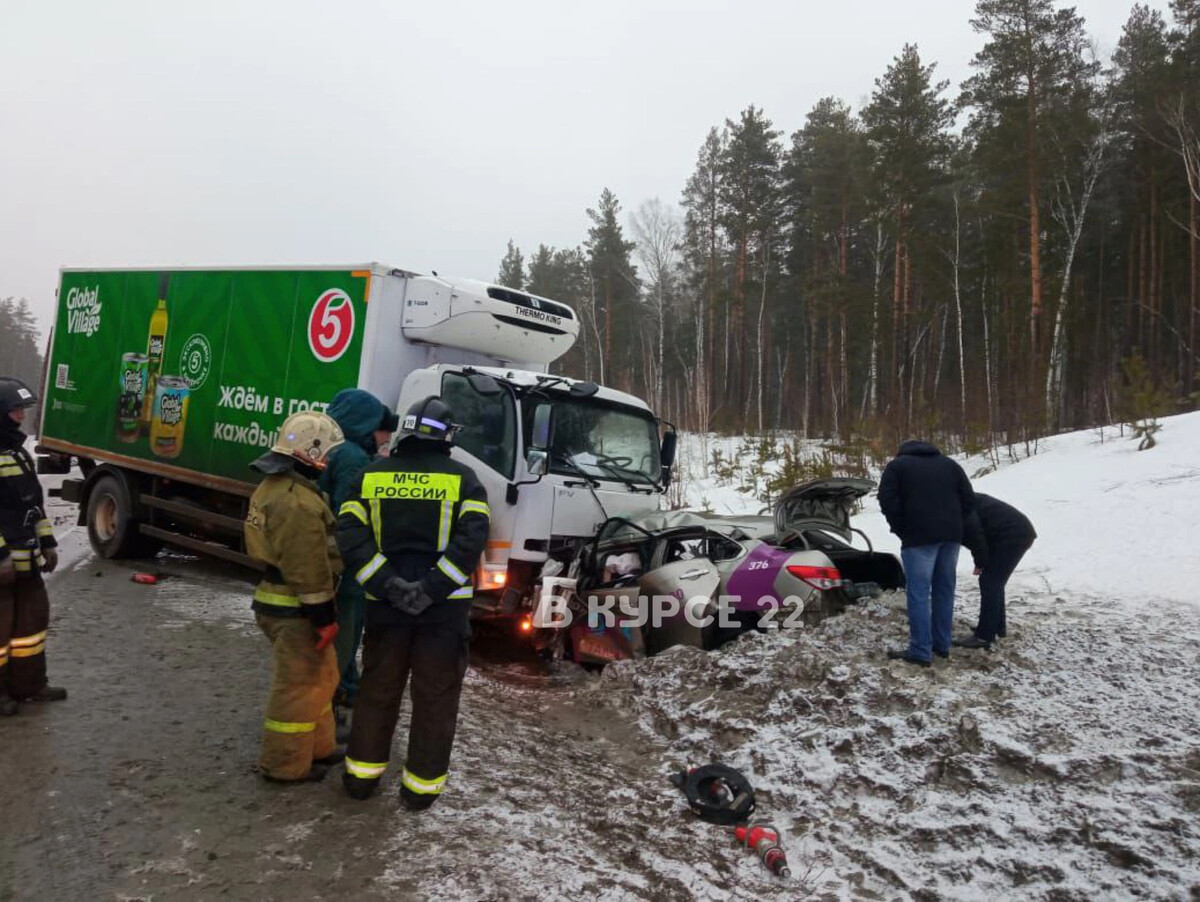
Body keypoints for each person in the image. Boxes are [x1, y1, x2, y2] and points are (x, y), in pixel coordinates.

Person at [337, 396, 489, 810]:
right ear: (447, 437)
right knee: (435, 699)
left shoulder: (370, 476)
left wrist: (388, 585)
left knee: (377, 691)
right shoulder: (465, 480)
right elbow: (470, 544)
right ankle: (420, 790)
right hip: (442, 615)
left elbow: (350, 535)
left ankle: (361, 778)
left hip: (386, 611)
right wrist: (430, 589)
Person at [244, 411, 346, 783]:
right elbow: (307, 568)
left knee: (322, 676)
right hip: (295, 609)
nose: (329, 461)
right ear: (310, 453)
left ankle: (318, 747)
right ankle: (284, 764)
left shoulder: (278, 487)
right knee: (298, 685)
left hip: (286, 601)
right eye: (327, 454)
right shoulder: (297, 503)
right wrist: (323, 618)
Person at [319, 390, 397, 729]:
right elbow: (348, 515)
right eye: (382, 429)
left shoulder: (335, 449)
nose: (386, 437)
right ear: (365, 425)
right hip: (349, 566)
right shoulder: (352, 457)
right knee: (346, 634)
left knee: (347, 633)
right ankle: (330, 704)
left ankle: (347, 687)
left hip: (339, 562)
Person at [0, 377, 67, 715]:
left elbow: (33, 505)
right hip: (4, 567)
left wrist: (48, 543)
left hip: (28, 563)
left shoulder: (17, 452)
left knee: (31, 626)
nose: (21, 417)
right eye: (14, 410)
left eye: (22, 410)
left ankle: (29, 685)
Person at [878, 439, 975, 667]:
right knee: (944, 590)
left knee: (919, 593)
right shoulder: (950, 465)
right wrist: (956, 523)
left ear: (902, 451)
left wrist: (902, 528)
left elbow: (887, 500)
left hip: (918, 538)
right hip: (951, 536)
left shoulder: (897, 466)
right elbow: (969, 499)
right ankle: (941, 645)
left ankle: (921, 650)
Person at [955, 493, 1037, 649]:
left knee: (990, 582)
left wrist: (980, 561)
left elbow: (975, 536)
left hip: (1013, 534)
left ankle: (984, 636)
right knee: (993, 581)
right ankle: (997, 627)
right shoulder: (961, 499)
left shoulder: (959, 507)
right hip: (1011, 532)